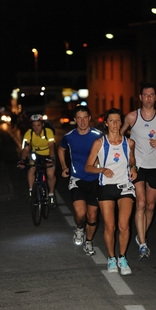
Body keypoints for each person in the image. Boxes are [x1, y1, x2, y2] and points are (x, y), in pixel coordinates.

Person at [120, 83, 156, 260]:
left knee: (151, 207)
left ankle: (141, 234)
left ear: (155, 98)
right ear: (140, 97)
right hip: (137, 166)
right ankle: (143, 244)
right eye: (145, 95)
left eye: (151, 95)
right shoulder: (132, 117)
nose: (148, 98)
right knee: (141, 203)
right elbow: (118, 136)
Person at [85, 108, 137, 275]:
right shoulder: (99, 143)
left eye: (118, 120)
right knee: (110, 226)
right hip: (106, 187)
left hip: (125, 187)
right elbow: (88, 167)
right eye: (112, 121)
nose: (115, 124)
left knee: (123, 225)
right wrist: (102, 170)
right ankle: (111, 258)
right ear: (106, 123)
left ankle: (122, 257)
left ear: (122, 122)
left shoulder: (129, 143)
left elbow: (132, 161)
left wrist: (134, 168)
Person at [58, 105, 102, 256]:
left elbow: (108, 150)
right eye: (79, 118)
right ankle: (79, 228)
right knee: (80, 214)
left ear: (89, 118)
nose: (82, 122)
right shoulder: (69, 136)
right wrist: (64, 166)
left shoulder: (98, 135)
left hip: (95, 180)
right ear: (75, 119)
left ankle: (89, 241)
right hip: (77, 178)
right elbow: (61, 149)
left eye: (85, 118)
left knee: (92, 215)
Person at [19, 114, 57, 209]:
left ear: (42, 125)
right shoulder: (29, 133)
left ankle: (51, 195)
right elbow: (25, 149)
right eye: (34, 125)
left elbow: (52, 146)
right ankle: (31, 191)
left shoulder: (48, 132)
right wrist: (22, 160)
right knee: (31, 169)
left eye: (38, 125)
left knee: (50, 174)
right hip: (36, 154)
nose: (36, 128)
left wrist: (51, 158)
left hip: (48, 154)